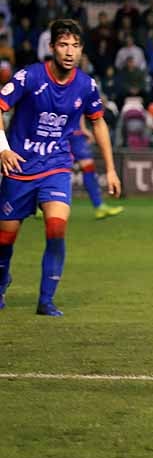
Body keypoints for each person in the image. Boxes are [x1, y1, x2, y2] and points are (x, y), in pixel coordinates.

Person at [0, 19, 121, 315]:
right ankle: (2, 280)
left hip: (56, 165)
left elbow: (98, 122)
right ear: (52, 47)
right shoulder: (29, 76)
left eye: (75, 46)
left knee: (56, 227)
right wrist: (3, 149)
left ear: (81, 50)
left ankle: (46, 300)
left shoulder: (86, 85)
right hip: (19, 166)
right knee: (5, 238)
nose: (69, 51)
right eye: (63, 45)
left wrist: (112, 168)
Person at [68, 119, 125, 219]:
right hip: (59, 130)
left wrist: (83, 128)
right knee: (49, 165)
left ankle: (99, 205)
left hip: (74, 130)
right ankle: (39, 205)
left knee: (88, 166)